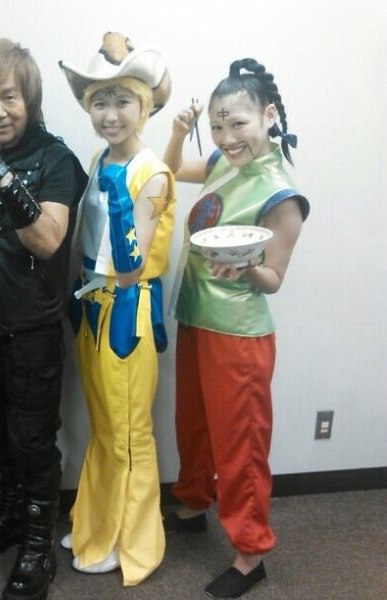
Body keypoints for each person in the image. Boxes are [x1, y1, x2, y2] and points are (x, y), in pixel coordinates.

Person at [162, 58, 309, 598]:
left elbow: (274, 280)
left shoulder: (281, 195)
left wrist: (247, 267)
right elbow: (169, 172)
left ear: (268, 116)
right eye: (218, 125)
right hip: (197, 316)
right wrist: (178, 132)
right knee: (193, 422)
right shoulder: (223, 162)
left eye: (238, 123)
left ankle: (251, 554)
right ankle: (193, 501)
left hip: (239, 335)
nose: (227, 137)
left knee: (240, 445)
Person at [0, 38, 88, 600]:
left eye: (9, 97)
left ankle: (37, 546)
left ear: (29, 99)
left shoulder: (56, 160)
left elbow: (49, 240)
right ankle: (12, 512)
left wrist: (9, 185)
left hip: (31, 326)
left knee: (33, 441)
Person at [57, 32, 175, 585]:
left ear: (143, 105)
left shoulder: (153, 173)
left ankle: (129, 540)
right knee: (103, 426)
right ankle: (96, 521)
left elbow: (130, 267)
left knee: (128, 432)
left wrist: (122, 195)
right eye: (99, 101)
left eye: (122, 100)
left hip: (127, 309)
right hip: (92, 307)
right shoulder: (99, 156)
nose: (110, 114)